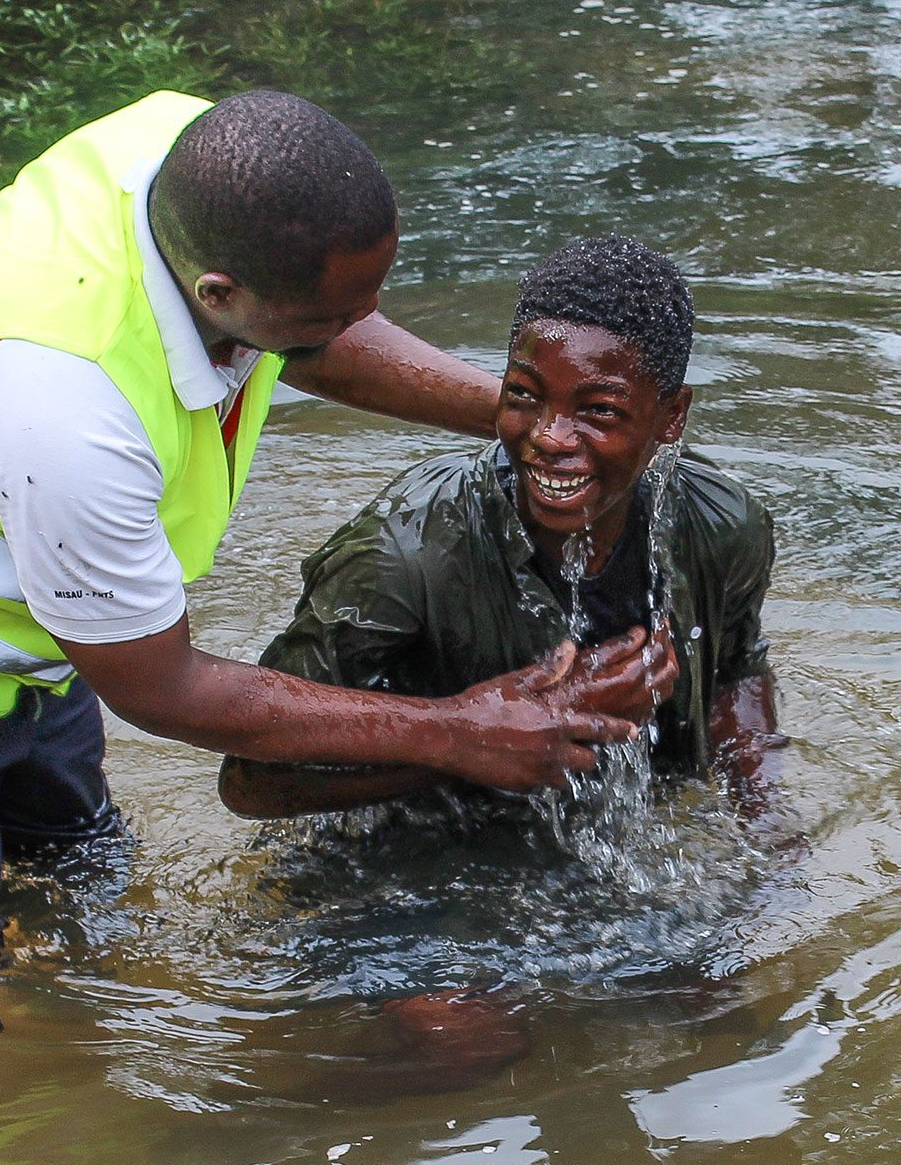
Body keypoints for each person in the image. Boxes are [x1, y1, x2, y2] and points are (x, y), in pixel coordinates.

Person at [0, 90, 671, 1025]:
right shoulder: (63, 412)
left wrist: (520, 420)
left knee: (73, 867)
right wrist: (458, 730)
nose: (358, 325)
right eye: (334, 316)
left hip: (16, 597)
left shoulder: (197, 157)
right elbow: (161, 690)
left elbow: (313, 329)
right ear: (220, 295)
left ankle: (71, 1058)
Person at [220, 234, 778, 821]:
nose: (549, 437)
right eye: (524, 396)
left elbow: (735, 680)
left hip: (614, 847)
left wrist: (769, 828)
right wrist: (469, 745)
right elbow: (252, 781)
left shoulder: (720, 525)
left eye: (599, 412)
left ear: (671, 417)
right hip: (412, 861)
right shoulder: (407, 551)